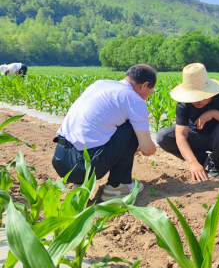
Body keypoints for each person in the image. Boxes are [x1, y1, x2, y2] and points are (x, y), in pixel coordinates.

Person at [52, 64, 157, 201]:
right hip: (84, 166)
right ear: (144, 85)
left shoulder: (100, 84)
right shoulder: (134, 99)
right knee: (131, 127)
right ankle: (117, 187)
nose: (147, 97)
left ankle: (81, 185)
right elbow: (147, 150)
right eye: (150, 91)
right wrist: (148, 145)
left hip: (60, 160)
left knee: (102, 130)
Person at [157, 63, 219, 182]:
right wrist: (192, 162)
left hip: (218, 138)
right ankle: (202, 160)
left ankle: (215, 163)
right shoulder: (184, 102)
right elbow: (181, 135)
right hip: (195, 136)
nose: (195, 101)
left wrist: (214, 113)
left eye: (199, 96)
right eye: (192, 97)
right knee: (163, 136)